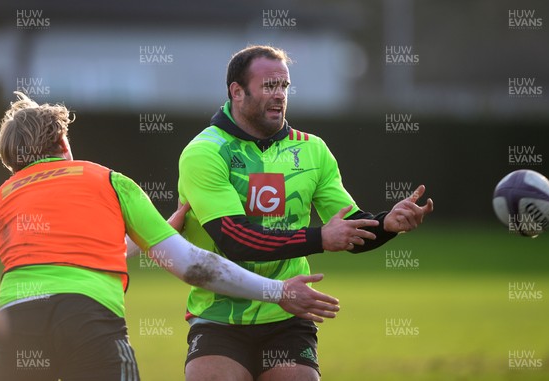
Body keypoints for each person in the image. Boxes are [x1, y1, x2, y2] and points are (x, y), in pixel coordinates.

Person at [0, 91, 340, 381]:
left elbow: (77, 253)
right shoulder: (107, 180)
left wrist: (156, 231)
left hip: (14, 324)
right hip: (87, 318)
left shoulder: (2, 199)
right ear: (63, 141)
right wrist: (277, 290)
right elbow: (191, 266)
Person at [178, 45, 434, 381]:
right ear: (236, 92)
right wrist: (320, 238)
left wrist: (387, 223)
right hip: (220, 313)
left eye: (284, 86)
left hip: (289, 314)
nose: (280, 95)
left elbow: (350, 227)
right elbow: (236, 240)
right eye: (269, 86)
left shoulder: (312, 150)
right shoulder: (206, 152)